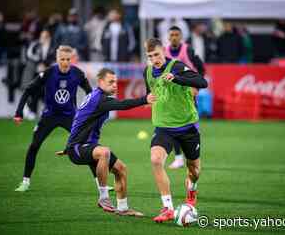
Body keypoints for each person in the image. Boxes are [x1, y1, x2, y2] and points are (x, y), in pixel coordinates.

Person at [57, 68, 156, 216]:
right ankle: (103, 197)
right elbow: (122, 105)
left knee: (121, 169)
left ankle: (123, 208)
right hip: (79, 148)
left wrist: (67, 147)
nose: (115, 85)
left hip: (84, 146)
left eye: (115, 82)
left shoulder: (96, 96)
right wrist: (144, 99)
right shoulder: (100, 99)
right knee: (105, 152)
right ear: (101, 82)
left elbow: (79, 120)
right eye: (111, 82)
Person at [13, 45, 111, 192]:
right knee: (34, 145)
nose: (65, 62)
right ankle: (25, 182)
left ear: (72, 59)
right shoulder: (48, 73)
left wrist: (92, 111)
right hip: (49, 116)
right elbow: (28, 89)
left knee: (86, 146)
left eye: (68, 59)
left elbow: (90, 93)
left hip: (70, 116)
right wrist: (19, 112)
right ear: (57, 59)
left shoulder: (77, 73)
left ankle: (100, 184)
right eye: (62, 59)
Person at [143, 38, 207, 222]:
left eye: (156, 54)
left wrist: (177, 78)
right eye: (150, 56)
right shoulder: (147, 72)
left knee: (194, 170)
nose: (154, 59)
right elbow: (151, 92)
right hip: (164, 127)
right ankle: (168, 208)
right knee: (155, 159)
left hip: (187, 126)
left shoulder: (177, 66)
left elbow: (202, 82)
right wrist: (149, 99)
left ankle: (191, 193)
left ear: (163, 51)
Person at [165, 25, 205, 169]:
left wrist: (196, 86)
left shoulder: (187, 50)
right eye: (172, 35)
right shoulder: (164, 52)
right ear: (168, 37)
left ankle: (193, 154)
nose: (174, 37)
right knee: (173, 122)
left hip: (188, 91)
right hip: (173, 92)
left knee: (191, 122)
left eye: (177, 34)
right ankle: (178, 158)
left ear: (181, 37)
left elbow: (201, 68)